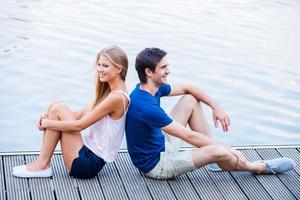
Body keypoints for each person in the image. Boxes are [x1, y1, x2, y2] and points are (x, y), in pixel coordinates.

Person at [125, 47, 295, 179]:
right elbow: (189, 137)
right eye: (163, 67)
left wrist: (216, 106)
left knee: (190, 99)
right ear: (148, 72)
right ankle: (257, 167)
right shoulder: (146, 106)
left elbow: (188, 88)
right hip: (158, 165)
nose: (168, 71)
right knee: (220, 151)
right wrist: (229, 149)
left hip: (161, 143)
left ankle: (215, 161)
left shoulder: (149, 89)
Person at [12, 46, 130, 179]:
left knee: (58, 108)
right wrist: (49, 121)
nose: (99, 70)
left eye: (105, 66)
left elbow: (79, 126)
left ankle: (42, 165)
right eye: (99, 65)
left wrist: (47, 123)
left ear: (119, 69)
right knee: (55, 106)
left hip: (88, 164)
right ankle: (42, 164)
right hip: (85, 153)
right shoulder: (109, 93)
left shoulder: (117, 98)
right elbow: (75, 116)